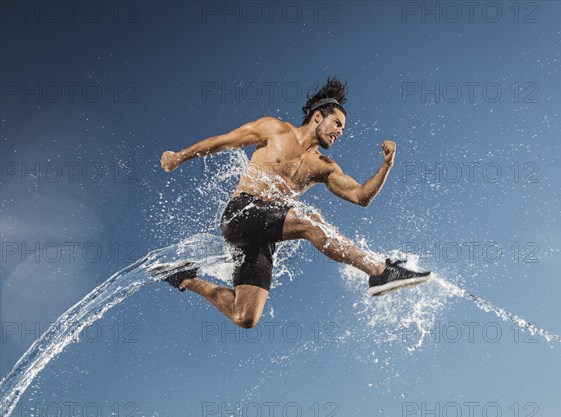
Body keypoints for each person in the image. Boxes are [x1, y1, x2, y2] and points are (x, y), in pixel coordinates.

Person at [158, 76, 431, 329]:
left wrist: (387, 166)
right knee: (310, 222)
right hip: (241, 213)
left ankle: (184, 277)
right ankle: (379, 271)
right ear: (317, 117)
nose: (340, 132)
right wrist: (179, 157)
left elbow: (360, 197)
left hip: (263, 236)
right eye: (337, 123)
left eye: (343, 129)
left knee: (246, 317)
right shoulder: (275, 129)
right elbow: (223, 142)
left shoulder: (324, 166)